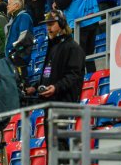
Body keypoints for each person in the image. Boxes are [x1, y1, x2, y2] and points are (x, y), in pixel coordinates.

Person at [25, 11, 86, 145]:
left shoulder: (73, 48)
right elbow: (49, 73)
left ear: (62, 24)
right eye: (47, 25)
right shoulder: (53, 47)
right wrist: (35, 87)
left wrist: (56, 87)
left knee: (58, 142)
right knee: (51, 143)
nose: (48, 28)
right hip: (51, 102)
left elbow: (73, 75)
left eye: (52, 24)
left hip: (63, 102)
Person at [52, 0, 99, 74]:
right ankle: (92, 77)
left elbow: (61, 4)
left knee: (78, 57)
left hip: (79, 24)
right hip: (93, 18)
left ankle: (81, 82)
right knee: (89, 55)